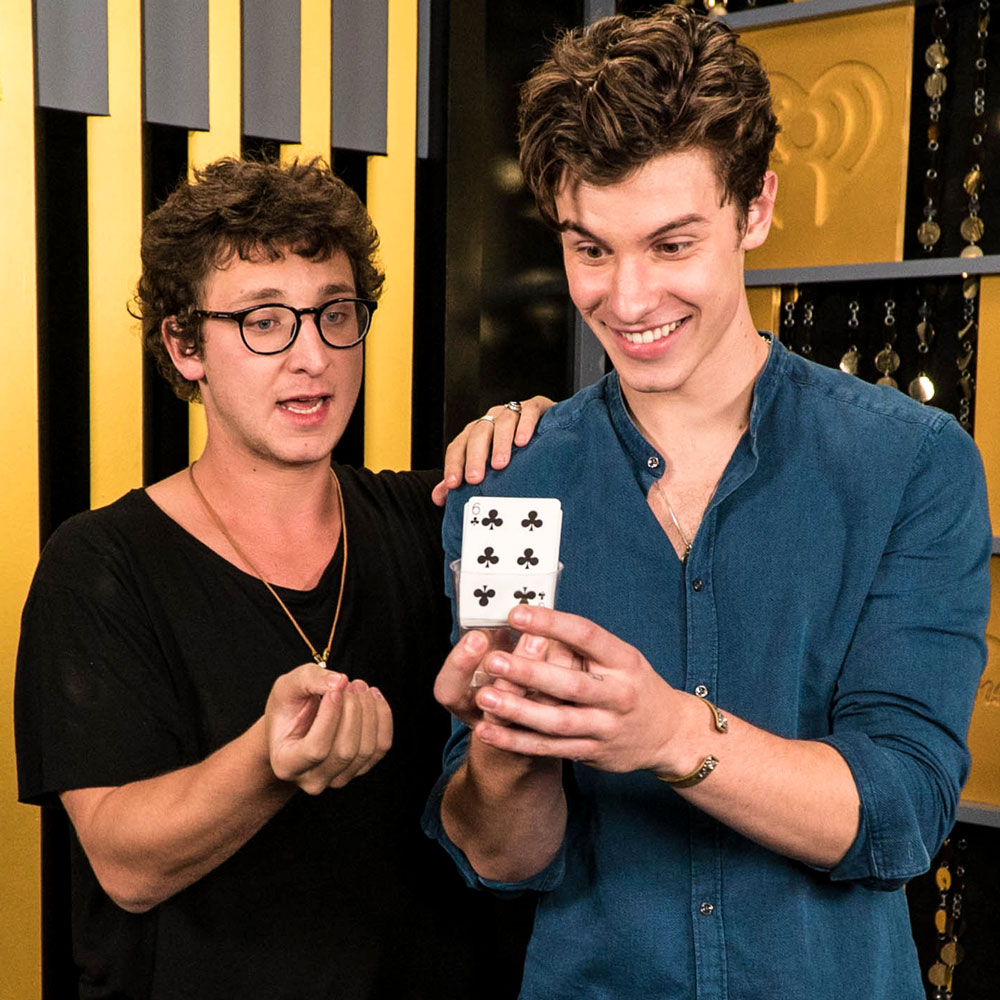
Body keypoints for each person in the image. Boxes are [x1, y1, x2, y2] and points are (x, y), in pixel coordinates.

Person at [424, 7, 992, 999]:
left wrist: (668, 732)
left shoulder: (912, 465)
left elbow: (899, 811)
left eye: (671, 243)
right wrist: (506, 760)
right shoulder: (506, 478)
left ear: (755, 209)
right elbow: (503, 861)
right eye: (588, 249)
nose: (627, 299)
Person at [14, 156, 547, 1000]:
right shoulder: (102, 563)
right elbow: (122, 862)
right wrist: (269, 758)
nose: (313, 358)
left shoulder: (435, 519)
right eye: (265, 322)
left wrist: (548, 439)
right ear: (185, 345)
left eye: (335, 315)